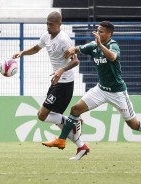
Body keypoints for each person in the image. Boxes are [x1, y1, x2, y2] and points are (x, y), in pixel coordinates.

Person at [42, 21, 141, 153]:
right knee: (75, 110)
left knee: (133, 124)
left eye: (101, 32)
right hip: (100, 90)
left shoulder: (113, 45)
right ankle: (61, 140)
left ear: (109, 34)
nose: (98, 33)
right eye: (97, 31)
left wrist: (100, 45)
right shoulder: (93, 46)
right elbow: (79, 49)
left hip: (117, 92)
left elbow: (113, 57)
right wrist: (72, 49)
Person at [13, 11, 89, 160]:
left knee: (42, 115)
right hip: (56, 82)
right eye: (47, 23)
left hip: (65, 84)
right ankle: (81, 145)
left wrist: (62, 70)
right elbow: (36, 48)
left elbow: (75, 61)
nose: (48, 26)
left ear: (59, 24)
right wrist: (22, 52)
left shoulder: (64, 40)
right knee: (51, 118)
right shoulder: (46, 36)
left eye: (51, 24)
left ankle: (72, 122)